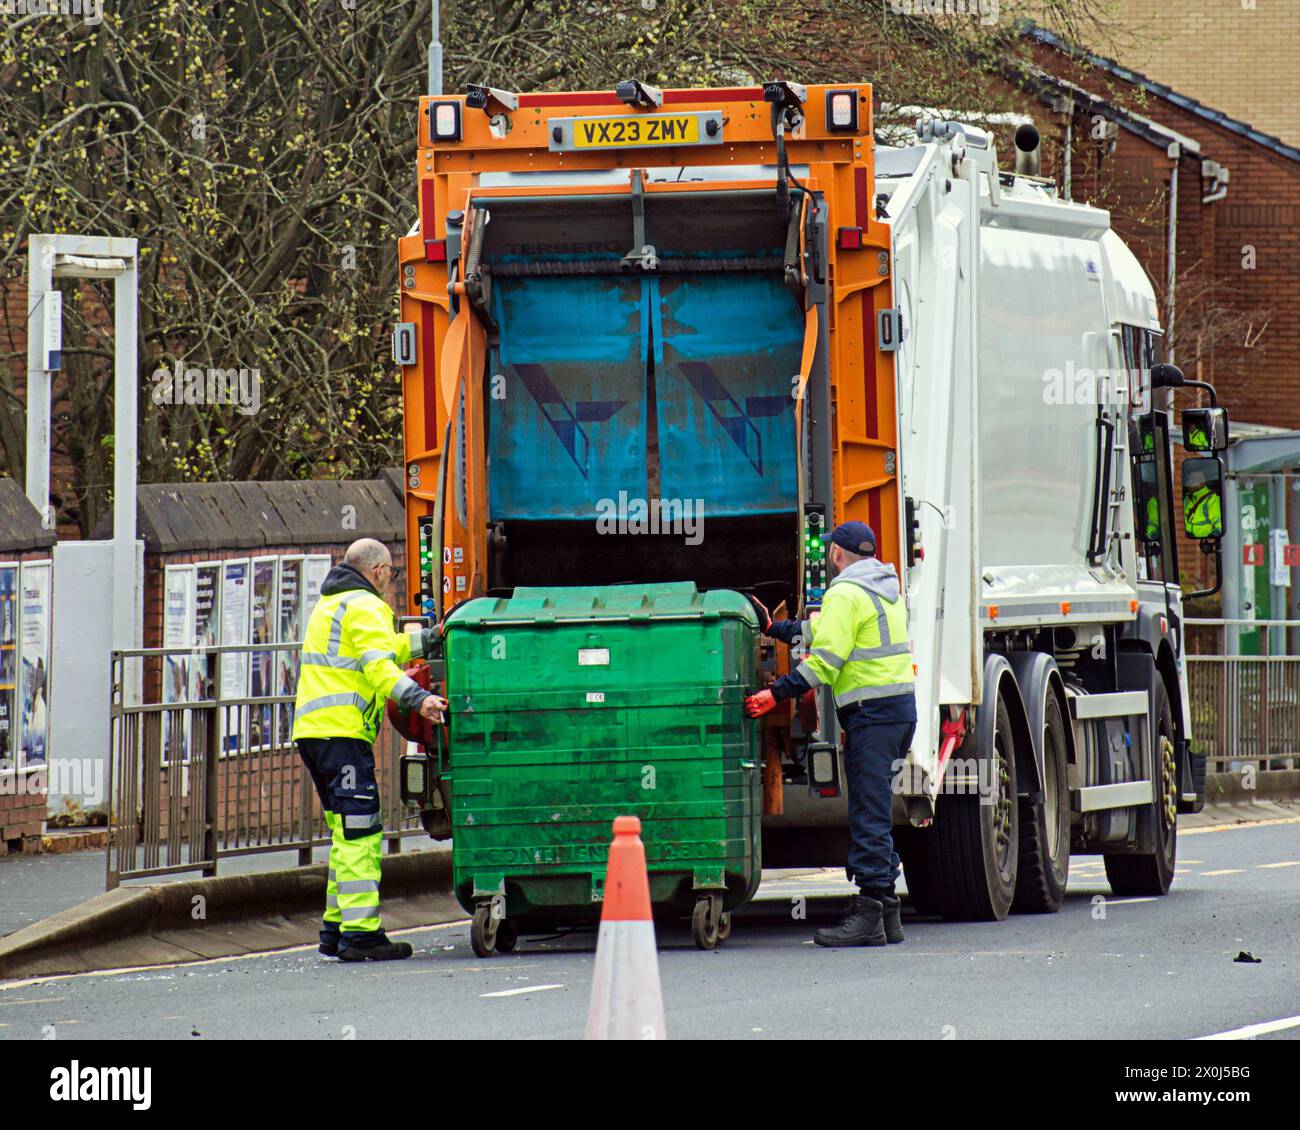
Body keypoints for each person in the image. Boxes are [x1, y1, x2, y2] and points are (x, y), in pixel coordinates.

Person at [745, 521, 916, 947]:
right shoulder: (885, 587)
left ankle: (870, 911)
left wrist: (775, 694)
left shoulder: (844, 592)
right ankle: (888, 912)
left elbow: (824, 662)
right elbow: (824, 631)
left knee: (868, 812)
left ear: (837, 555)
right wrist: (775, 629)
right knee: (875, 805)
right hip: (896, 713)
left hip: (872, 716)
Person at [292, 538, 446, 961]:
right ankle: (361, 936)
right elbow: (379, 668)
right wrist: (420, 699)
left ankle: (335, 928)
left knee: (346, 831)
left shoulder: (332, 604)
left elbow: (382, 650)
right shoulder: (366, 605)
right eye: (393, 574)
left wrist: (430, 639)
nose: (391, 581)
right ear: (378, 571)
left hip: (315, 734)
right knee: (362, 831)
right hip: (342, 736)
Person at [1183, 469, 1221, 538]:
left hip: (1204, 541)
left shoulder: (1212, 499)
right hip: (1188, 540)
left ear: (1201, 482)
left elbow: (1219, 526)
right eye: (1188, 481)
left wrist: (1210, 538)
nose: (1188, 484)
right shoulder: (1187, 499)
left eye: (1192, 481)